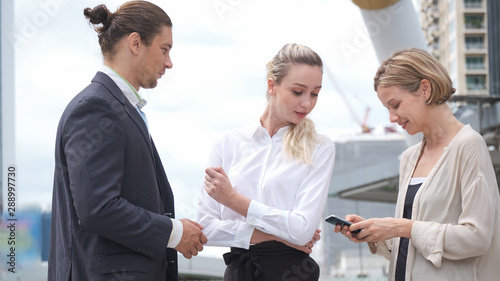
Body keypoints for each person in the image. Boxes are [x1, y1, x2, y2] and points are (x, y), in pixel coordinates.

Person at [48, 1, 207, 280]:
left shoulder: (116, 107)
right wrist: (174, 232)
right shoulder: (97, 107)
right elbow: (98, 208)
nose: (169, 62)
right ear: (135, 43)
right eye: (164, 49)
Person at [335, 48, 500, 281]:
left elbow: (477, 238)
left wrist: (400, 227)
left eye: (396, 104)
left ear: (425, 89)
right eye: (387, 109)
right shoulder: (410, 157)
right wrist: (375, 232)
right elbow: (413, 247)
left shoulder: (469, 145)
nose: (392, 117)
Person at [197, 43, 336, 280]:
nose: (307, 103)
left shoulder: (320, 148)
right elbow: (206, 230)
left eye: (315, 93)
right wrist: (278, 235)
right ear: (272, 86)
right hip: (239, 271)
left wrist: (233, 200)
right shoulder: (227, 144)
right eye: (298, 91)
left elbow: (302, 231)